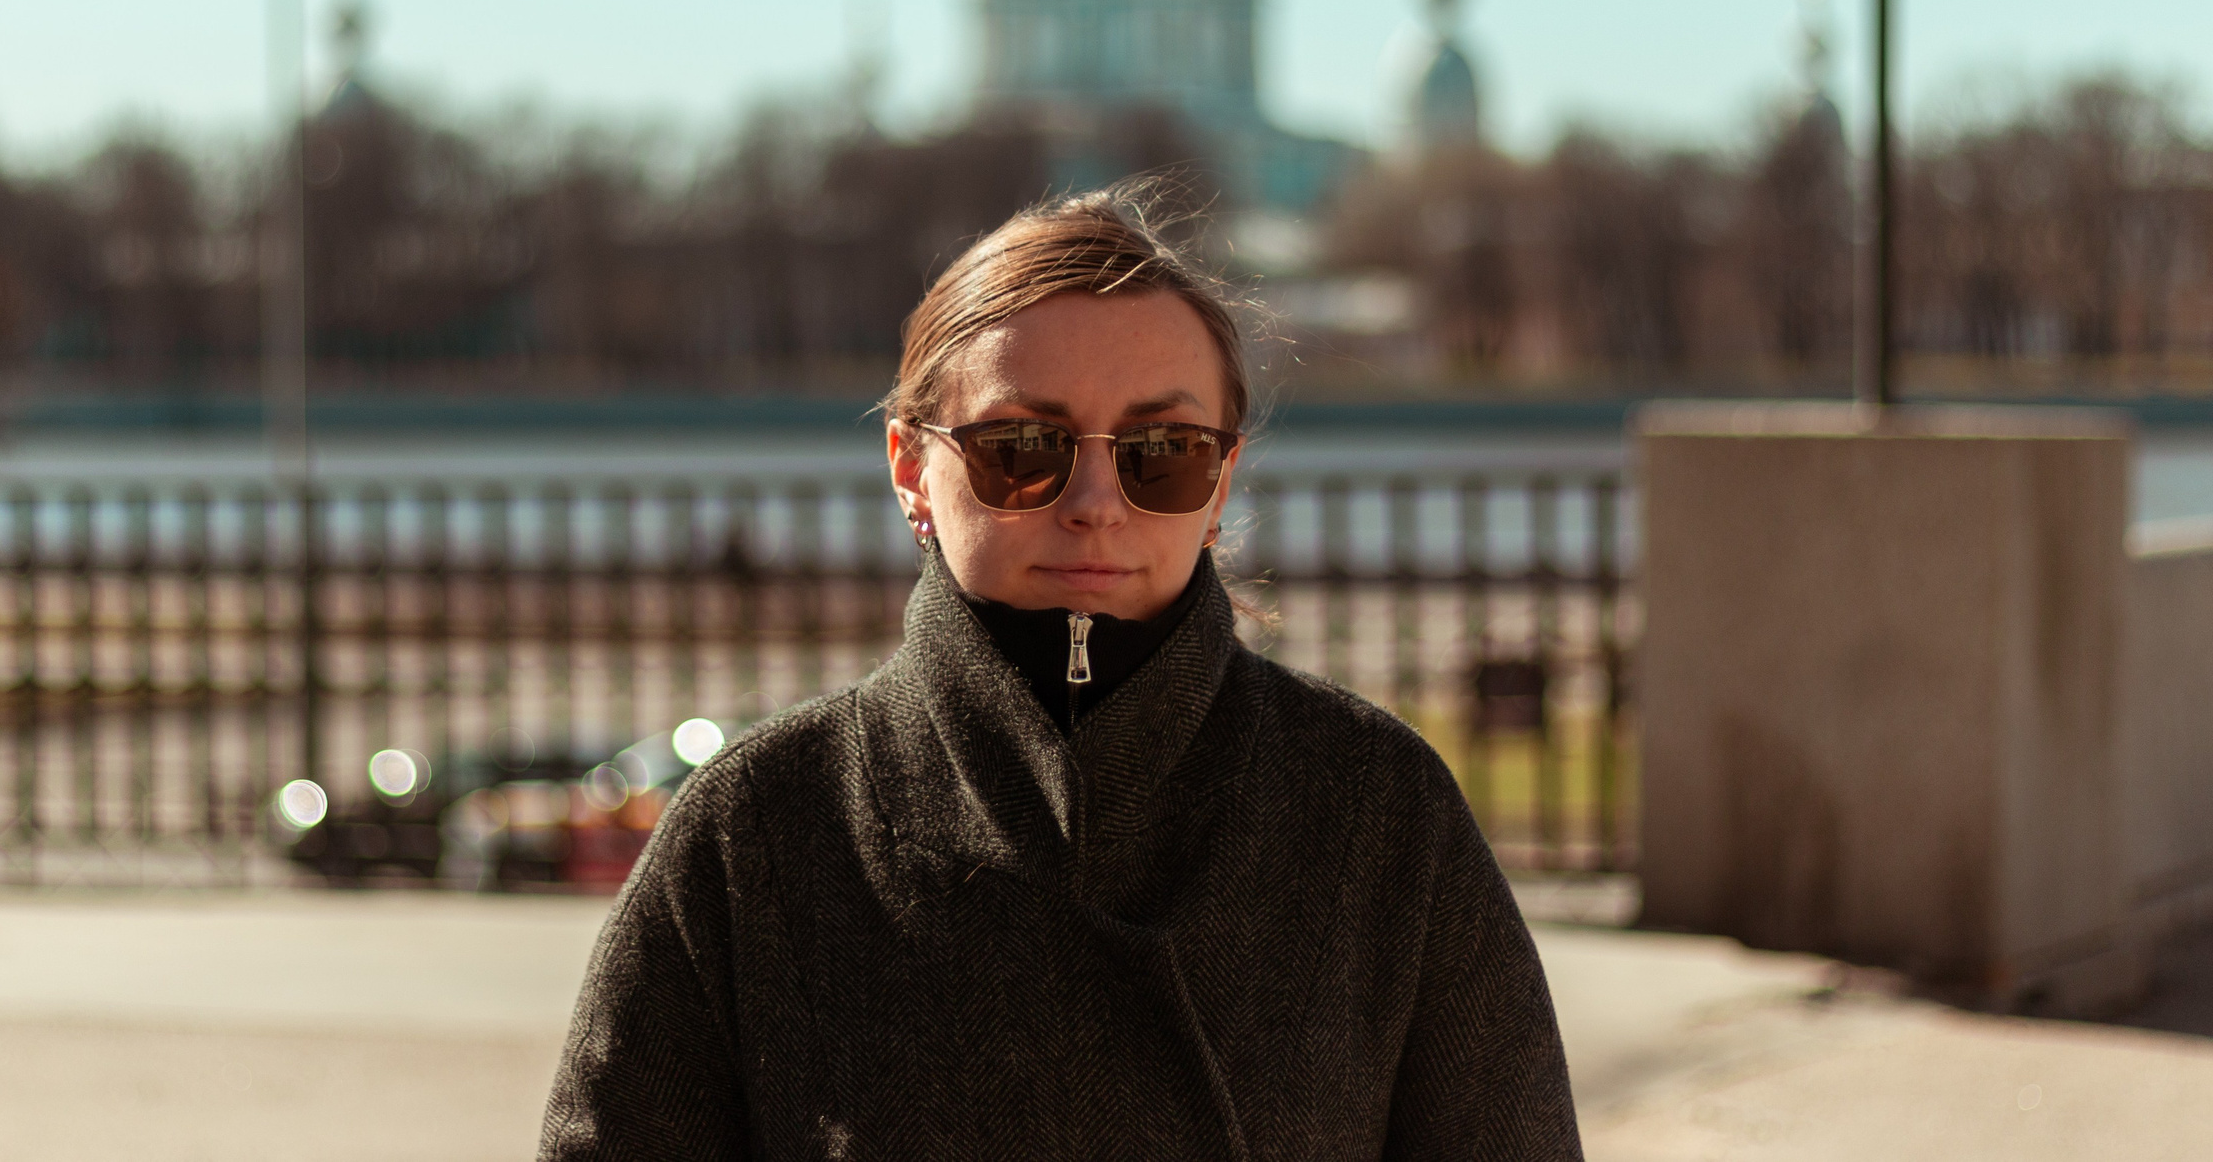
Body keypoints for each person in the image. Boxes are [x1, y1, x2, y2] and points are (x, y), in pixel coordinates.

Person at [542, 185, 1580, 1159]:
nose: (1093, 500)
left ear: (1221, 481)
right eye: (1022, 446)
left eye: (1161, 449)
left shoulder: (1373, 808)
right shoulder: (764, 826)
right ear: (911, 466)